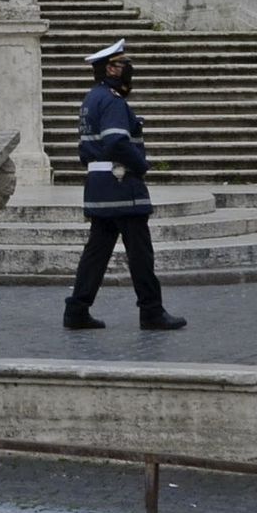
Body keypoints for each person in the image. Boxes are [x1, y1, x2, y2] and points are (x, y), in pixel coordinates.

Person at [64, 40, 186, 331]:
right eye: (122, 64)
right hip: (121, 185)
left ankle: (77, 310)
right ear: (110, 69)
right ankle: (151, 311)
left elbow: (85, 149)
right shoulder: (112, 100)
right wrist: (141, 165)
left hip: (98, 184)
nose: (127, 68)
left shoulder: (91, 98)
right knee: (140, 253)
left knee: (97, 252)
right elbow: (116, 140)